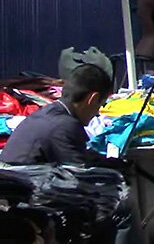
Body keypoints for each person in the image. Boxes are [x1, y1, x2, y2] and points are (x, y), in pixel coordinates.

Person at [1, 65, 144, 244]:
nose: (98, 112)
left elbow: (78, 160)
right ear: (92, 99)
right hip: (29, 197)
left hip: (20, 188)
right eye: (100, 104)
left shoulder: (48, 113)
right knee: (121, 207)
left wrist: (107, 164)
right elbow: (82, 178)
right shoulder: (65, 125)